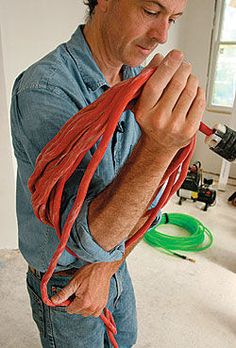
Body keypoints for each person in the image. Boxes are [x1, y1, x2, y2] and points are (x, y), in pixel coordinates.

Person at [10, 0, 205, 347]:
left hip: (115, 262)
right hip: (67, 280)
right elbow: (83, 235)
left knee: (125, 341)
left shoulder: (134, 81)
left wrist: (107, 266)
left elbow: (150, 199)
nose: (162, 35)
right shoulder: (45, 90)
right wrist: (158, 148)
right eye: (150, 11)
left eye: (172, 20)